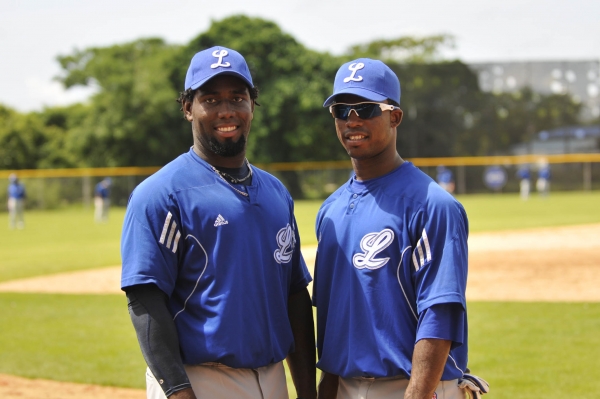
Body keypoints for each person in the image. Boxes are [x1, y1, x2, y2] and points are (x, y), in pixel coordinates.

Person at [120, 46, 316, 399]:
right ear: (187, 108)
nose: (227, 111)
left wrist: (307, 391)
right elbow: (145, 301)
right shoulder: (161, 194)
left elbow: (294, 294)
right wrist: (179, 391)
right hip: (200, 379)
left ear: (252, 105)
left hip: (273, 380)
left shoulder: (275, 192)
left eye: (237, 97)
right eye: (210, 99)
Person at [312, 59, 488, 399]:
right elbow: (332, 314)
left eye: (365, 108)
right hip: (345, 387)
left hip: (414, 386)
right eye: (341, 109)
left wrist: (416, 394)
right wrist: (327, 387)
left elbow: (439, 313)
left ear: (395, 116)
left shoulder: (433, 204)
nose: (352, 120)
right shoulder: (329, 210)